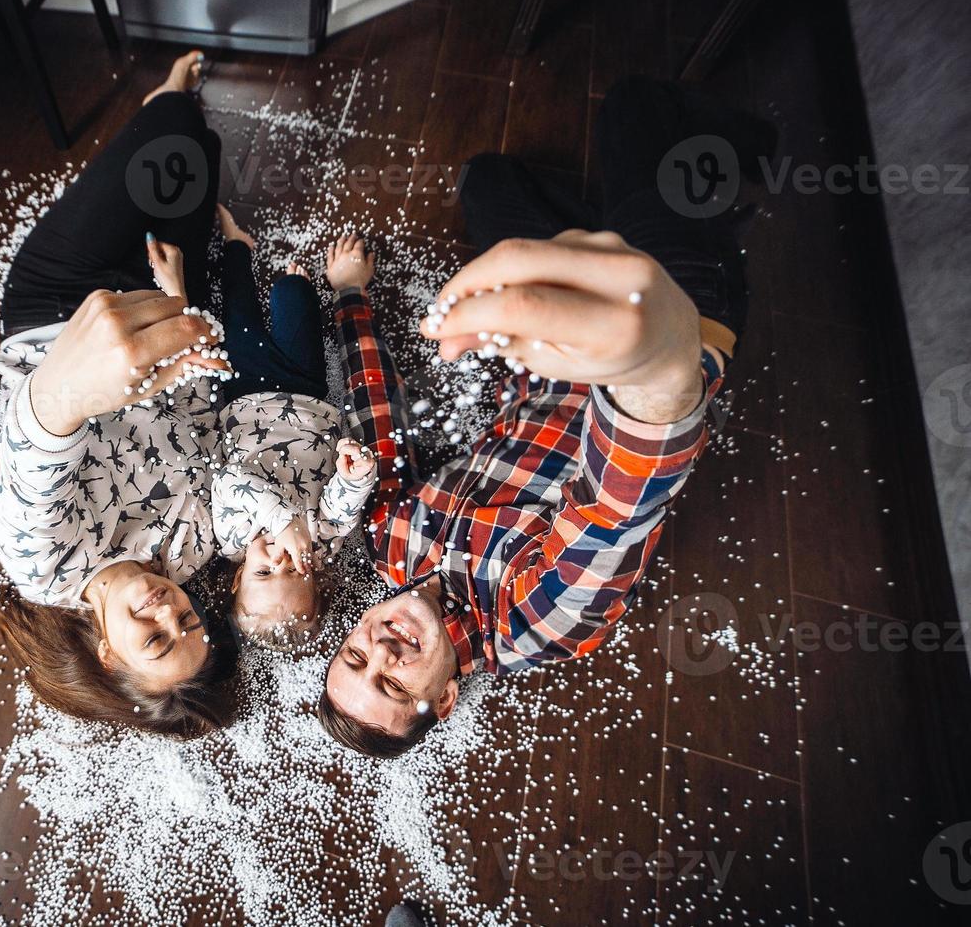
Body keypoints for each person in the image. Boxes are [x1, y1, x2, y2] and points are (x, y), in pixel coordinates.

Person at [318, 77, 766, 757]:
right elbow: (614, 510)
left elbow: (376, 417)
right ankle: (690, 200)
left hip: (546, 348)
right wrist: (657, 373)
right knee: (628, 108)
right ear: (443, 699)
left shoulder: (389, 543)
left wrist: (350, 297)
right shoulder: (532, 621)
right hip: (675, 319)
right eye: (394, 685)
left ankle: (625, 217)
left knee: (485, 181)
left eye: (356, 659)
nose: (380, 650)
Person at [0, 52, 239, 739]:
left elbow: (32, 443)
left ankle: (167, 92)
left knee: (174, 133)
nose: (168, 609)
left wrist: (65, 397)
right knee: (195, 153)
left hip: (54, 304)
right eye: (186, 621)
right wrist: (180, 301)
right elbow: (198, 416)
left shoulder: (43, 566)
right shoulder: (192, 548)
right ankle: (175, 110)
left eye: (154, 640)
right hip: (157, 301)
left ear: (107, 655)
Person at [190, 210, 379, 652]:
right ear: (317, 574)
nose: (280, 559)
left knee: (238, 312)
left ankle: (238, 246)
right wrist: (354, 477)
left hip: (246, 396)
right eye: (294, 571)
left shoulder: (229, 534)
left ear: (238, 575)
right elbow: (341, 508)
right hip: (305, 393)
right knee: (292, 294)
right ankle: (295, 285)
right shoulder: (322, 540)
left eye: (262, 573)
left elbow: (231, 480)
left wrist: (282, 518)